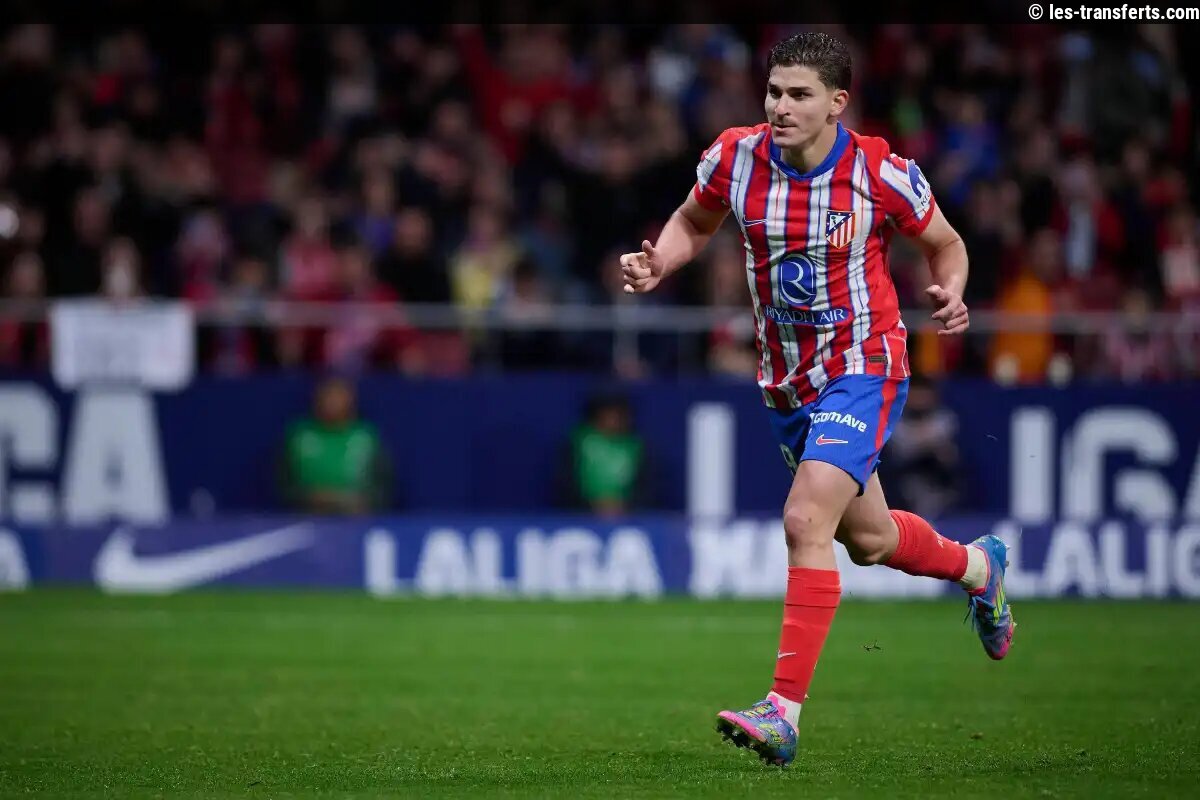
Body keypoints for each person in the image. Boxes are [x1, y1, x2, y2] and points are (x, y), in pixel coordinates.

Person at [618, 32, 1013, 768]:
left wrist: (953, 292)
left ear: (837, 103)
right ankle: (977, 569)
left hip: (864, 363)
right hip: (786, 381)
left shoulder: (878, 170)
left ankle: (783, 713)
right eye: (774, 91)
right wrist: (659, 261)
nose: (780, 106)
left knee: (804, 518)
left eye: (799, 94)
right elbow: (695, 221)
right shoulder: (734, 157)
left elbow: (947, 243)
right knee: (870, 542)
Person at [277, 376, 393, 515]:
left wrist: (362, 501)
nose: (332, 402)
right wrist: (310, 498)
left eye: (338, 396)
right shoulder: (299, 435)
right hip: (307, 514)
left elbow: (383, 485)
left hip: (356, 516)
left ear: (350, 400)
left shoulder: (367, 436)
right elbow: (284, 484)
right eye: (328, 395)